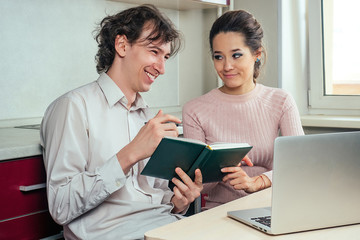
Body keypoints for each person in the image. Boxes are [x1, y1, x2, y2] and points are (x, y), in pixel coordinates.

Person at [40, 4, 203, 240]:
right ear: (122, 45)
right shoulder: (73, 106)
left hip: (164, 226)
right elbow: (61, 206)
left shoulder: (148, 117)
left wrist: (179, 202)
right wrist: (130, 154)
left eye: (165, 57)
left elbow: (153, 196)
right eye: (154, 52)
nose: (162, 68)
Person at [182, 9, 304, 210]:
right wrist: (220, 164)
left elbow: (300, 165)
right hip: (218, 213)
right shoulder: (195, 110)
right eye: (218, 57)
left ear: (257, 54)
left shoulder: (281, 101)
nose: (227, 66)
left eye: (236, 55)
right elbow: (197, 187)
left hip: (273, 208)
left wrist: (257, 182)